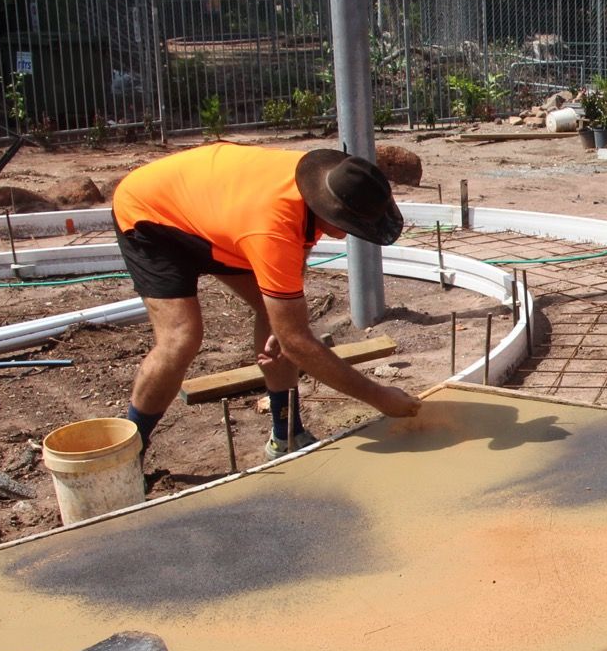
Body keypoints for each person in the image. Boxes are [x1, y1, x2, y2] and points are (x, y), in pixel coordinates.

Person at [111, 142, 422, 460]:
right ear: (328, 210)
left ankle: (287, 434)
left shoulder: (317, 180)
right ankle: (126, 456)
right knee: (181, 339)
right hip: (151, 216)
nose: (346, 236)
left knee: (282, 318)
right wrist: (378, 396)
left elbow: (296, 250)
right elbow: (296, 340)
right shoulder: (272, 229)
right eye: (348, 227)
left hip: (217, 215)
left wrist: (283, 321)